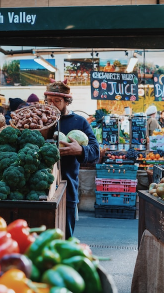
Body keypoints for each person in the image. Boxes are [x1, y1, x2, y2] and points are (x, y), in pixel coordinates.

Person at [44, 80, 100, 239]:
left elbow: (95, 150)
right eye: (49, 101)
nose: (52, 104)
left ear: (66, 101)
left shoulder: (79, 121)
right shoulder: (43, 120)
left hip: (68, 187)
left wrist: (80, 150)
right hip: (43, 187)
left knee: (66, 234)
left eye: (57, 101)